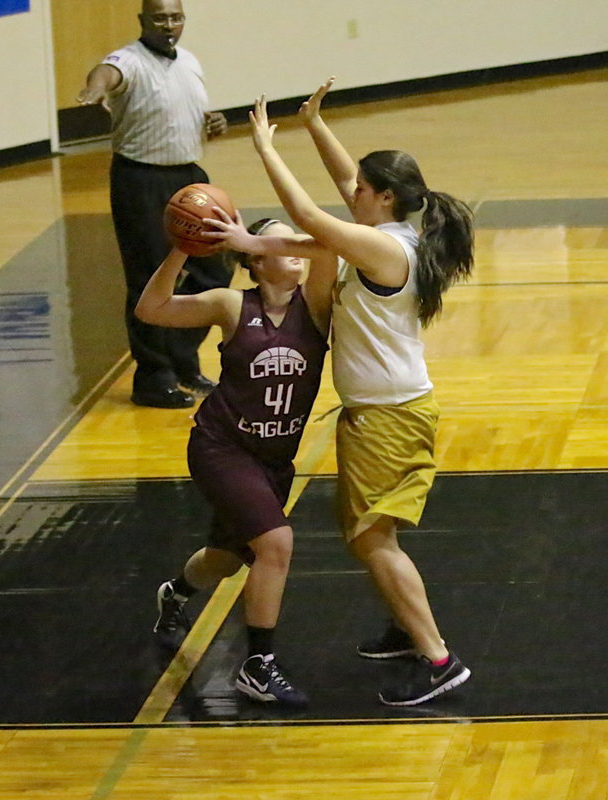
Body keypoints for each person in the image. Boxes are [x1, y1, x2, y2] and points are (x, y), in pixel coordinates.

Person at [206, 79, 475, 707]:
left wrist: (265, 149)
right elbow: (331, 206)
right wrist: (314, 124)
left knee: (370, 538)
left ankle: (438, 659)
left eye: (361, 189)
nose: (351, 191)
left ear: (384, 199)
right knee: (372, 531)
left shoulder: (381, 246)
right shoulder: (391, 233)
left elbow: (308, 221)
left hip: (388, 417)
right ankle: (407, 628)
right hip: (383, 412)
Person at [135, 218, 335, 705]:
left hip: (274, 460)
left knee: (225, 560)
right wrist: (183, 249)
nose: (294, 250)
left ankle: (176, 593)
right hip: (220, 447)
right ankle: (257, 666)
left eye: (294, 241)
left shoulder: (316, 301)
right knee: (276, 544)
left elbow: (325, 244)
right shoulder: (231, 304)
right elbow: (151, 309)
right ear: (255, 260)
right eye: (278, 242)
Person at [77, 0, 232, 408]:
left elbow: (189, 112)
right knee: (150, 278)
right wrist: (93, 90)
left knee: (216, 268)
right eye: (160, 18)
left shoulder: (190, 61)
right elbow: (106, 74)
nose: (169, 25)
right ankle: (153, 377)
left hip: (190, 178)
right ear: (143, 21)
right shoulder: (128, 60)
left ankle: (182, 358)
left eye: (176, 17)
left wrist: (213, 121)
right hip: (140, 179)